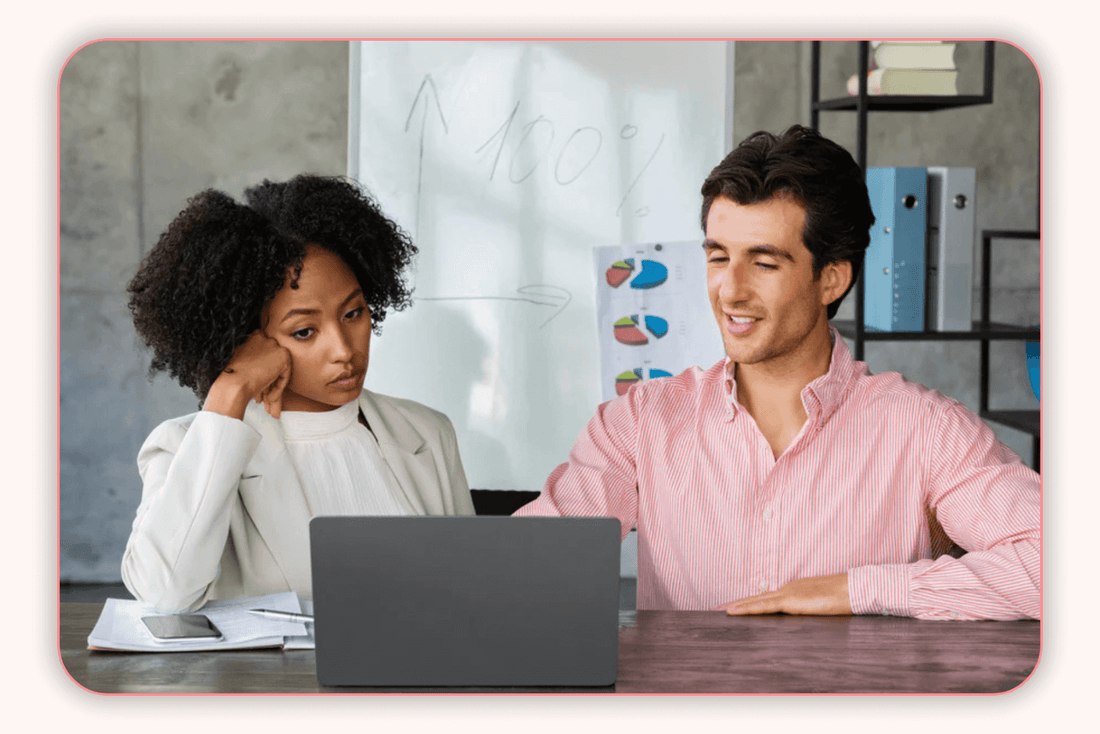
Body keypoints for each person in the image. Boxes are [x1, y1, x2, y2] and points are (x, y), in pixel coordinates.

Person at [515, 125, 1040, 621]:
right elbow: (524, 565)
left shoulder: (924, 429)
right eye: (719, 258)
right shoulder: (638, 424)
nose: (731, 290)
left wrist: (860, 590)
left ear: (831, 279)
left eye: (764, 264)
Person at [122, 175, 474, 614]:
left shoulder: (427, 432)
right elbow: (163, 596)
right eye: (305, 331)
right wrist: (229, 392)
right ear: (249, 339)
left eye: (354, 313)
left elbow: (469, 590)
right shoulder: (184, 447)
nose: (344, 351)